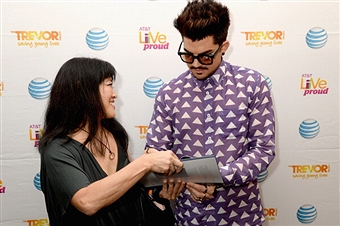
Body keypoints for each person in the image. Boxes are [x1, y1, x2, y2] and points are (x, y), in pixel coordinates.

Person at [145, 0, 276, 225]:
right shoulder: (169, 93)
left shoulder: (253, 84)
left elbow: (263, 151)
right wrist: (186, 183)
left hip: (242, 217)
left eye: (205, 56)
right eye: (187, 55)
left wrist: (217, 178)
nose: (195, 64)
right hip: (188, 217)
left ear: (223, 47)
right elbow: (155, 156)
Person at [39, 57, 185, 226]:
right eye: (109, 84)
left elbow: (128, 189)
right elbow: (87, 202)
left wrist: (158, 195)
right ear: (83, 89)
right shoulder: (57, 150)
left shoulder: (115, 133)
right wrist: (146, 162)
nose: (115, 94)